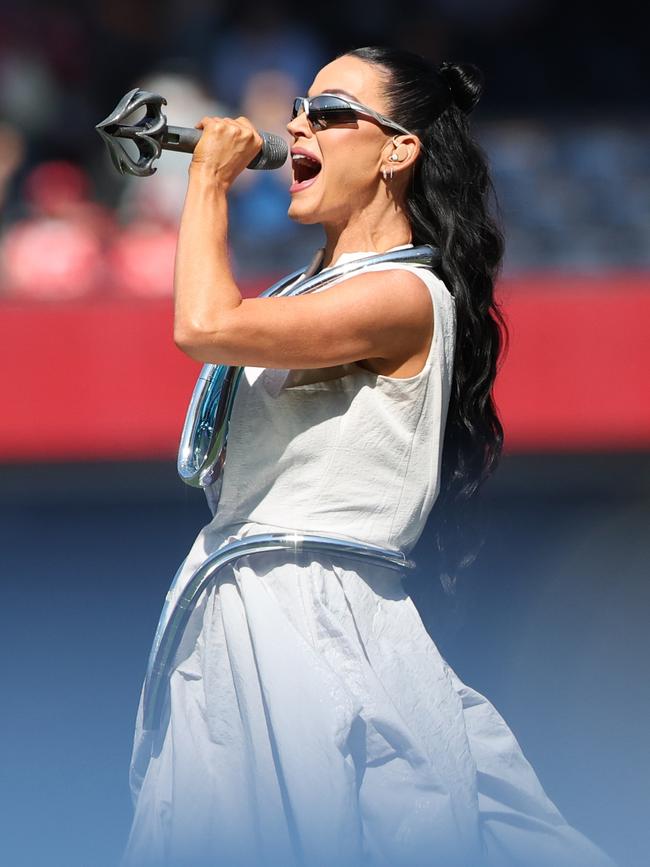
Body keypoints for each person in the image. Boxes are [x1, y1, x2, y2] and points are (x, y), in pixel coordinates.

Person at [121, 47, 617, 867]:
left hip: (311, 611)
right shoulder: (301, 290)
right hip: (246, 601)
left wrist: (206, 181)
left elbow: (204, 325)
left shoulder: (403, 295)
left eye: (330, 110)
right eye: (300, 108)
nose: (295, 125)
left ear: (398, 149)